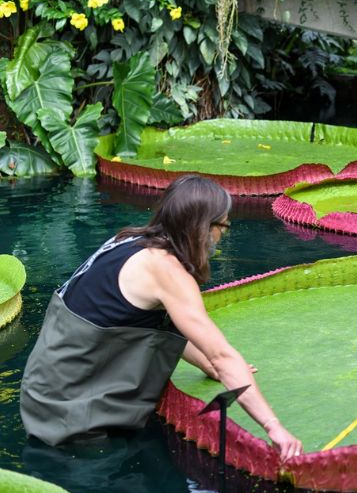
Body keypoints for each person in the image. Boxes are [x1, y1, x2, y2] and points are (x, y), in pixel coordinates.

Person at [20, 175, 302, 459]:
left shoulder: (128, 240)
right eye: (223, 226)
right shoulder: (166, 271)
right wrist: (273, 426)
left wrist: (207, 365)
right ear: (203, 227)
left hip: (42, 390)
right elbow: (222, 356)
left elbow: (162, 324)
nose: (223, 236)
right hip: (69, 412)